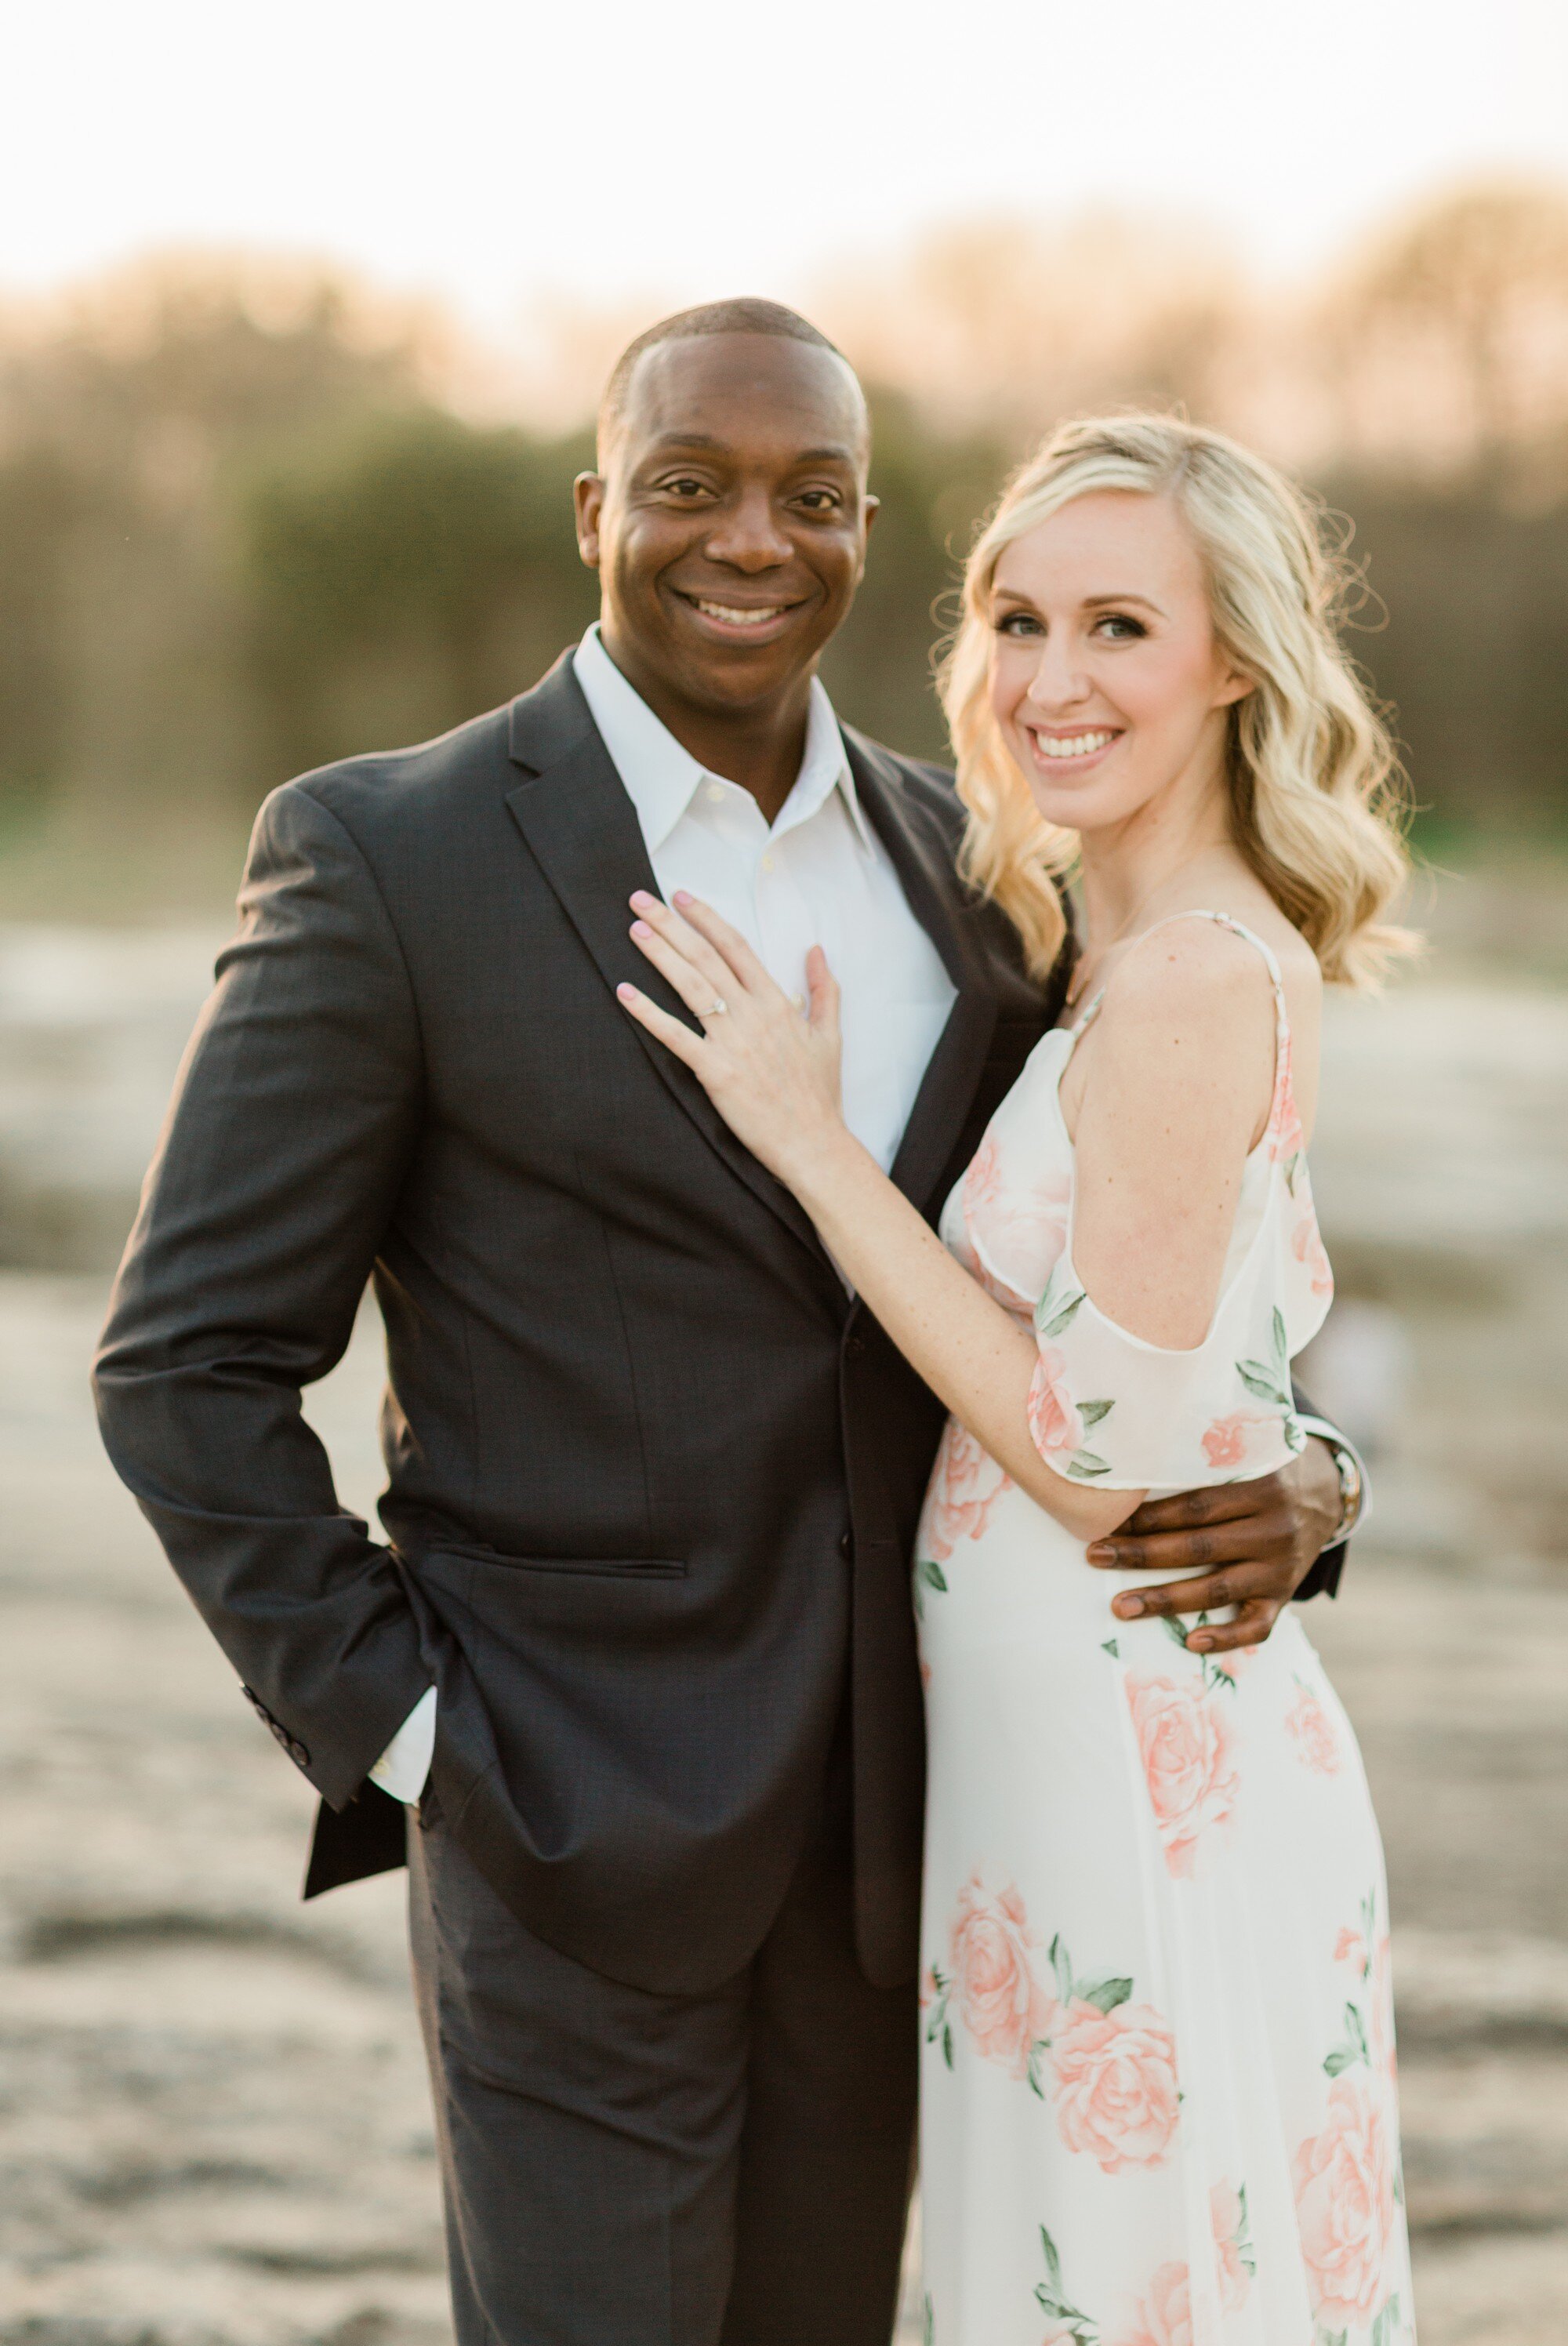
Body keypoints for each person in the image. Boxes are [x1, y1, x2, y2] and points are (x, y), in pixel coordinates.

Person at [93, 313, 1362, 2346]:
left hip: (908, 1862)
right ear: (600, 511)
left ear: (868, 536)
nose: (749, 538)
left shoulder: (980, 876)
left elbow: (1125, 1298)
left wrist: (1314, 1478)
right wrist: (422, 1745)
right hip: (568, 1842)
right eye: (690, 483)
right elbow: (184, 1373)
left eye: (814, 497)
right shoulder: (387, 856)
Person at [618, 412, 1416, 2341]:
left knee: (1136, 2285)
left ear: (1234, 658)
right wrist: (1315, 1457)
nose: (1050, 680)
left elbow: (1090, 1454)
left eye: (1121, 626)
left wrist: (804, 1140)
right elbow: (1213, 1359)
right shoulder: (1072, 942)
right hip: (1046, 1752)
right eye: (1014, 618)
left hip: (1139, 1763)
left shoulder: (1195, 981)